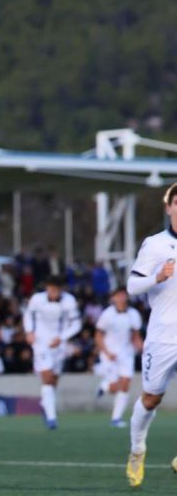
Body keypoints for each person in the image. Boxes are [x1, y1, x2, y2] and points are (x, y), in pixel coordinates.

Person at [125, 183, 177, 487]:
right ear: (169, 208)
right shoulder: (155, 244)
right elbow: (132, 286)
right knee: (151, 397)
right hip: (163, 336)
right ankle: (137, 450)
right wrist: (157, 277)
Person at [24, 275, 81, 430]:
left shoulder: (69, 301)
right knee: (47, 377)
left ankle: (46, 405)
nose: (53, 292)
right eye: (50, 289)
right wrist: (29, 332)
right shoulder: (37, 299)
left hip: (59, 344)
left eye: (56, 289)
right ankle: (51, 418)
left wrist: (62, 338)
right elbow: (28, 316)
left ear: (61, 289)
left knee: (54, 379)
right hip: (41, 343)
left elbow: (76, 324)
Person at [94, 287, 142, 428]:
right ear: (113, 298)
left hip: (126, 353)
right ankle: (105, 386)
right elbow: (98, 336)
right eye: (118, 295)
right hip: (109, 354)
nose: (121, 297)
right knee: (114, 387)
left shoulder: (133, 314)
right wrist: (107, 352)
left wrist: (143, 348)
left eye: (123, 295)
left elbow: (136, 337)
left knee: (125, 384)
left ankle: (116, 418)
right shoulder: (107, 314)